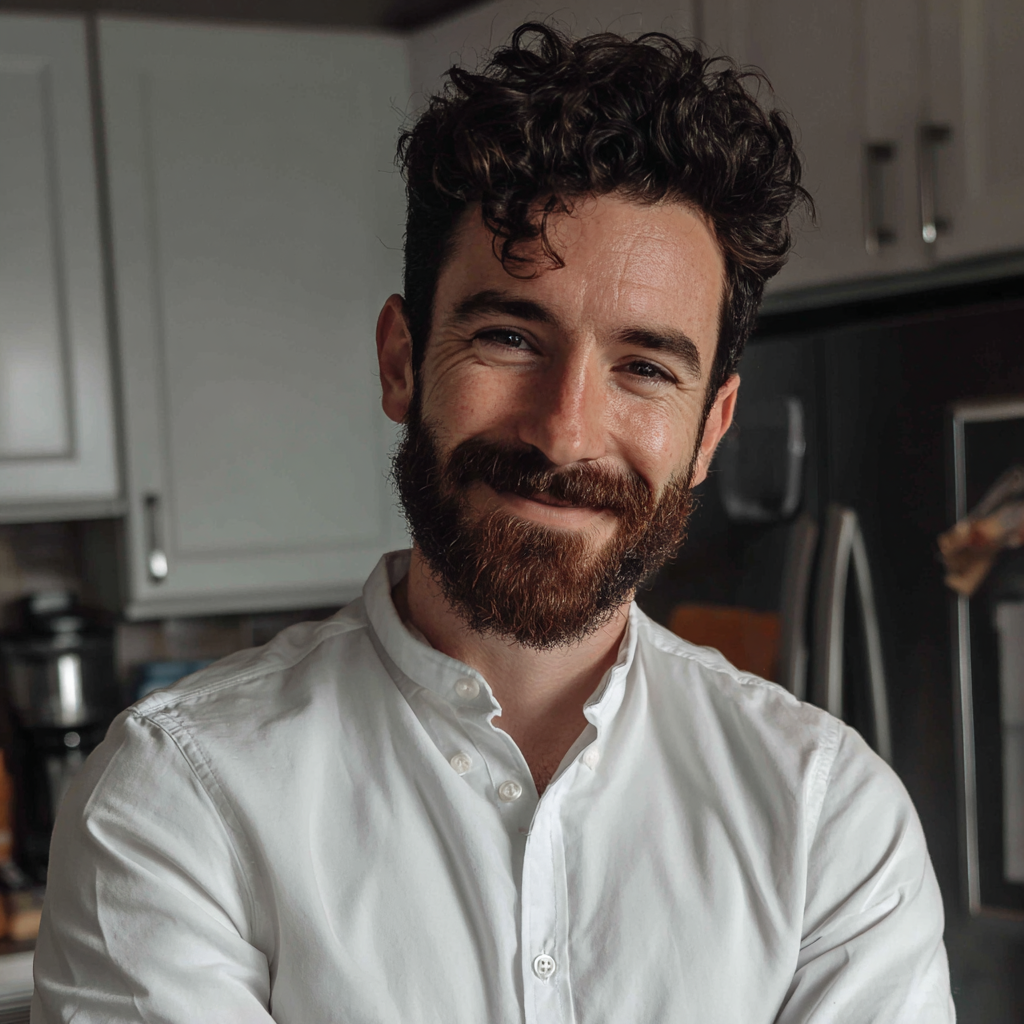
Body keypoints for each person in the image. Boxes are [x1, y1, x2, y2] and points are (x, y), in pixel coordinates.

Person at [32, 23, 954, 1023]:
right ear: (400, 359)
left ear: (709, 428)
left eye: (644, 368)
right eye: (510, 336)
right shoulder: (177, 798)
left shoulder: (829, 819)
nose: (564, 434)